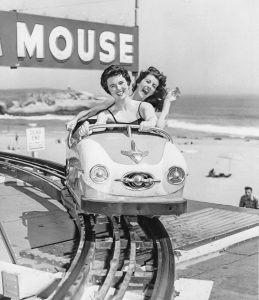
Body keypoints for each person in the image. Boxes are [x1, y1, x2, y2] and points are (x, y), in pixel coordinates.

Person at [76, 65, 157, 136]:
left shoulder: (144, 107)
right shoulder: (106, 114)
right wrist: (88, 129)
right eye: (112, 86)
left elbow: (152, 118)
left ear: (128, 83)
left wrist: (149, 123)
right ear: (108, 90)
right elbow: (99, 125)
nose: (118, 88)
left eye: (121, 83)